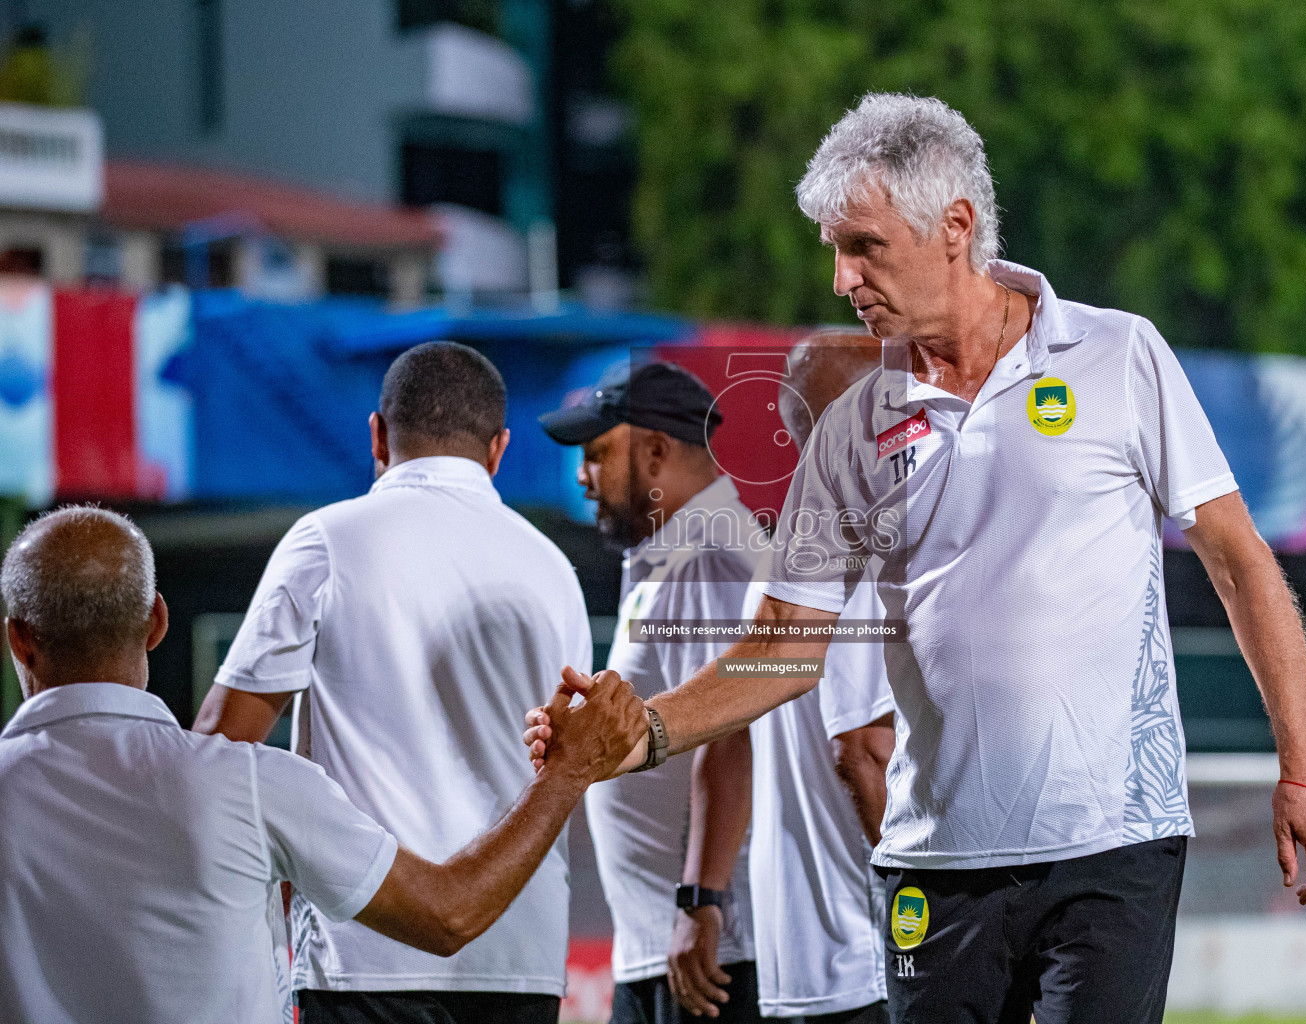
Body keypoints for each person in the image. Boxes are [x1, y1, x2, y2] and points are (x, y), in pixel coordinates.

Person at [529, 94, 1306, 1024]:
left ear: (954, 226)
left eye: (864, 246)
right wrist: (641, 733)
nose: (842, 279)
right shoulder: (848, 431)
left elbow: (1239, 561)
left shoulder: (1118, 354)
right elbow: (784, 647)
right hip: (932, 866)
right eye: (835, 251)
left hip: (1112, 844)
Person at [0, 506, 645, 1024]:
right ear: (156, 623)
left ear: (18, 638)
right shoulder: (251, 783)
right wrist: (564, 773)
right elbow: (449, 915)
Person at [195, 342, 594, 1024]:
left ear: (378, 435)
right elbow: (572, 756)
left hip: (365, 953)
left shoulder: (326, 540)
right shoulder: (554, 569)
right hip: (519, 955)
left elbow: (219, 749)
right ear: (497, 448)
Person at [668, 331, 895, 1024]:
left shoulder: (785, 559)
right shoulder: (868, 548)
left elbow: (729, 739)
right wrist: (942, 921)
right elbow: (863, 752)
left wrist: (702, 899)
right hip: (875, 954)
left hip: (800, 958)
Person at [538, 361, 765, 1024]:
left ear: (658, 451)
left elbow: (732, 729)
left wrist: (703, 902)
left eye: (599, 454)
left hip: (707, 950)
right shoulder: (674, 555)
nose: (584, 477)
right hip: (669, 944)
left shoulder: (707, 557)